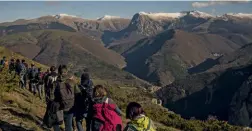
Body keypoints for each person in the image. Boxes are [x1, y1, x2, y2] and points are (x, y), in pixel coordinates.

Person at [53, 65, 75, 131]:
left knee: (56, 123)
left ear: (59, 72)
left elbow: (53, 95)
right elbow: (77, 93)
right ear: (66, 72)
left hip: (60, 107)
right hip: (70, 106)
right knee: (69, 125)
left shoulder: (56, 82)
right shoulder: (71, 82)